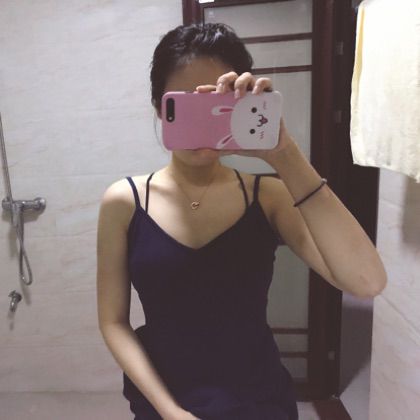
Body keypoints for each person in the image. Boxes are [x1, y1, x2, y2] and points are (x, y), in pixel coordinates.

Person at [96, 23, 387, 420]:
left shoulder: (269, 196)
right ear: (159, 108)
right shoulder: (124, 202)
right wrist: (171, 412)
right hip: (162, 398)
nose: (204, 119)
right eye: (187, 104)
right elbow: (113, 322)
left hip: (258, 399)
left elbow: (366, 281)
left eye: (217, 103)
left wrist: (284, 153)